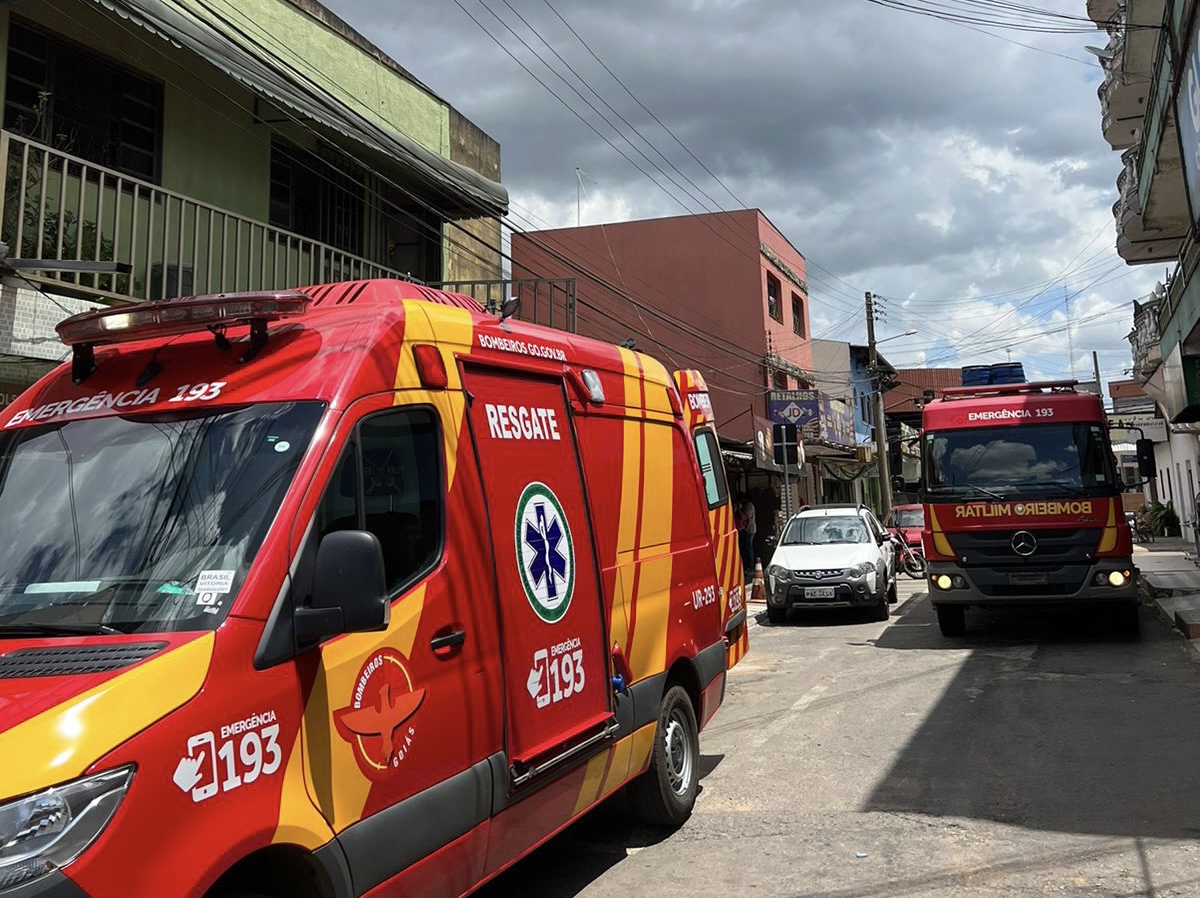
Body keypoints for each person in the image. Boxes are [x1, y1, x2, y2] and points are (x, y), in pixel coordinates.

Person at [737, 493, 757, 574]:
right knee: (748, 547)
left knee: (749, 548)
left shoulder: (748, 505)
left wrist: (738, 510)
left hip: (750, 530)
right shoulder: (746, 505)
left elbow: (745, 517)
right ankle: (749, 566)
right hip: (748, 529)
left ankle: (751, 567)